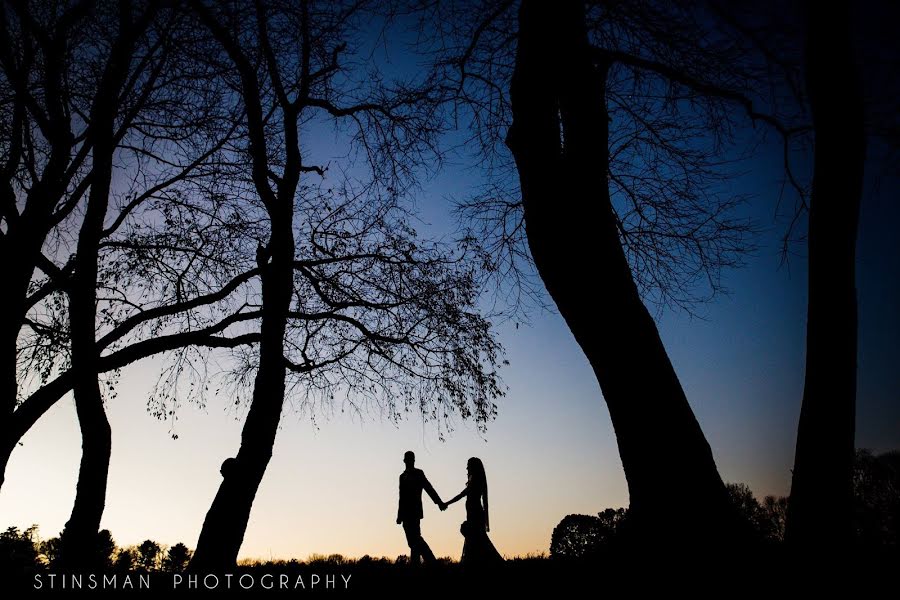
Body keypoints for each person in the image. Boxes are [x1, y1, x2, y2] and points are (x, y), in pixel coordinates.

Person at [441, 457, 504, 567]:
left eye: (468, 466)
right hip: (472, 514)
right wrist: (447, 503)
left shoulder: (476, 481)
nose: (466, 468)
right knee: (476, 540)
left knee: (477, 540)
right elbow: (461, 495)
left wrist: (446, 503)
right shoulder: (473, 480)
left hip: (476, 514)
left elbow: (466, 497)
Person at [397, 450, 444, 565]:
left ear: (413, 460)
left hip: (415, 511)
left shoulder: (419, 473)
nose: (409, 461)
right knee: (413, 541)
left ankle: (429, 561)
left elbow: (428, 488)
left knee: (415, 539)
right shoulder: (402, 476)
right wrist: (399, 515)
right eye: (407, 459)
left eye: (410, 459)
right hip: (405, 513)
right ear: (404, 461)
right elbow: (401, 497)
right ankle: (420, 563)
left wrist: (438, 502)